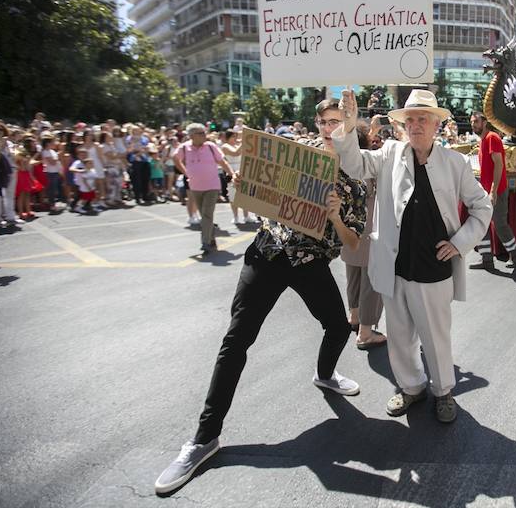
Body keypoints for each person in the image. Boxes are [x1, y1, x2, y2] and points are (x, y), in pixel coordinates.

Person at [155, 100, 367, 495]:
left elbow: (353, 242)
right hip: (268, 253)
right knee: (236, 340)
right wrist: (245, 190)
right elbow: (255, 198)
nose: (327, 128)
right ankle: (204, 438)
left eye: (336, 122)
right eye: (322, 121)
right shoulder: (291, 155)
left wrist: (336, 216)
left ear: (348, 126)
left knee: (338, 327)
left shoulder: (353, 186)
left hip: (310, 262)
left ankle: (324, 375)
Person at [333, 88, 492, 424]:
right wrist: (348, 128)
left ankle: (443, 391)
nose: (417, 124)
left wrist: (460, 242)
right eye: (411, 119)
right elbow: (354, 163)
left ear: (436, 125)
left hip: (434, 268)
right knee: (401, 336)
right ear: (403, 125)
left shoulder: (456, 163)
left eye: (423, 119)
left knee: (435, 337)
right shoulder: (389, 153)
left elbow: (482, 207)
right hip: (395, 265)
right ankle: (411, 387)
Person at [342, 118, 387, 350]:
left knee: (353, 275)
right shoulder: (367, 164)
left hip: (347, 228)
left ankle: (355, 317)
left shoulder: (340, 163)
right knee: (372, 281)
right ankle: (366, 332)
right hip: (368, 228)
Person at [469, 111, 516, 270]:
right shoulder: (483, 140)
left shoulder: (492, 138)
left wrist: (493, 191)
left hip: (497, 190)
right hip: (487, 191)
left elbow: (499, 165)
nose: (473, 124)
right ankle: (486, 258)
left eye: (476, 121)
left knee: (499, 224)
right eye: (472, 122)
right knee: (482, 223)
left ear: (484, 122)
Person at [173, 123, 234, 255]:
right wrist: (185, 172)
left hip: (212, 185)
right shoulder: (184, 148)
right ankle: (211, 239)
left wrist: (231, 174)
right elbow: (175, 159)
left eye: (204, 132)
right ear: (192, 135)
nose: (204, 135)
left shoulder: (211, 146)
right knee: (204, 215)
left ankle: (205, 243)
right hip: (195, 186)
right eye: (201, 133)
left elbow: (222, 161)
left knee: (206, 214)